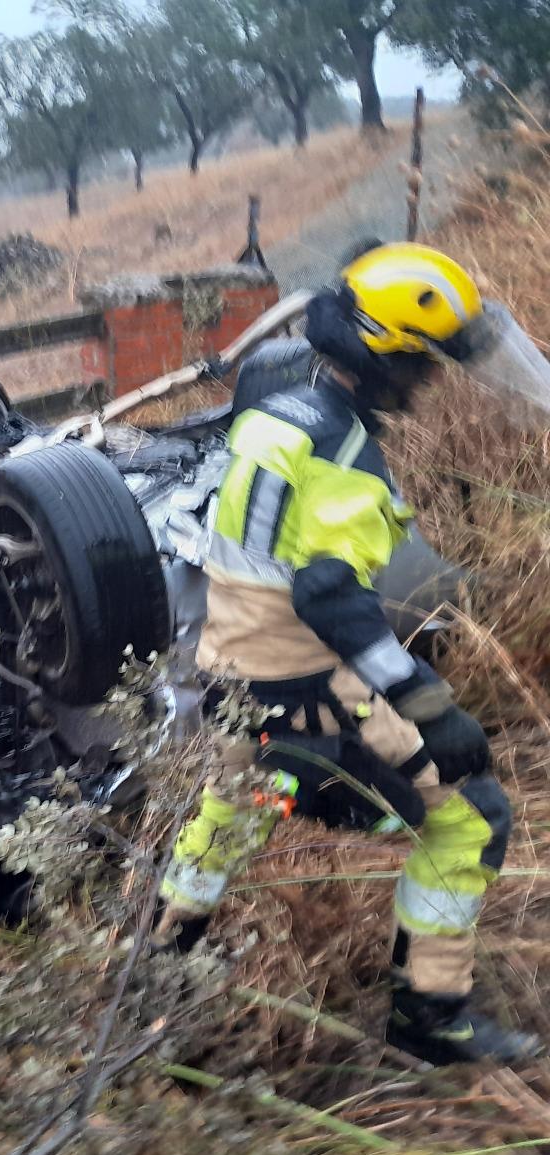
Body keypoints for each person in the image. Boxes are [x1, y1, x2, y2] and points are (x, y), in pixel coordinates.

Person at [154, 241, 543, 1065]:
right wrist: (427, 704)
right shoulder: (346, 457)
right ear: (385, 355)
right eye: (423, 365)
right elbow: (329, 596)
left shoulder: (275, 413)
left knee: (225, 824)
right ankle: (430, 1019)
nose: (428, 383)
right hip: (308, 696)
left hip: (230, 678)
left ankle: (148, 984)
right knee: (475, 817)